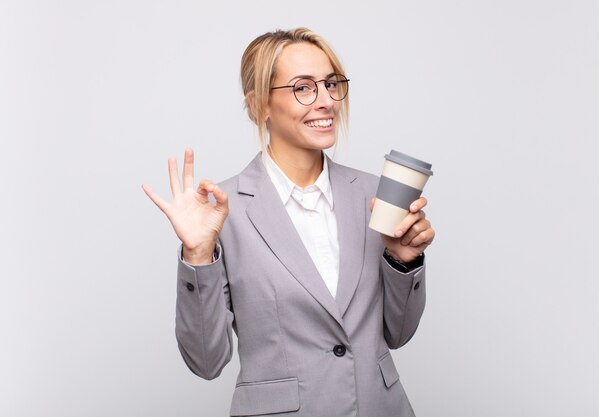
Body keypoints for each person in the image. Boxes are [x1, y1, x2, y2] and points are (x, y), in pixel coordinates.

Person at [142, 27, 435, 417]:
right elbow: (206, 361)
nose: (326, 101)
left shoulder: (374, 194)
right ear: (259, 104)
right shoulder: (220, 212)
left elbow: (397, 335)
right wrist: (198, 255)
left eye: (331, 84)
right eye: (303, 88)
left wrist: (403, 262)